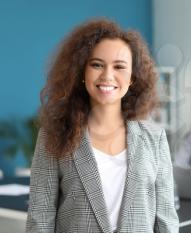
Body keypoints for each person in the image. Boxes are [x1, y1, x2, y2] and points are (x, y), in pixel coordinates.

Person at [26, 19, 179, 233]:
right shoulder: (55, 135)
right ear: (82, 72)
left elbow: (166, 220)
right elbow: (39, 219)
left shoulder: (155, 138)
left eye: (119, 67)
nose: (107, 75)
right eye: (97, 64)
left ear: (133, 77)